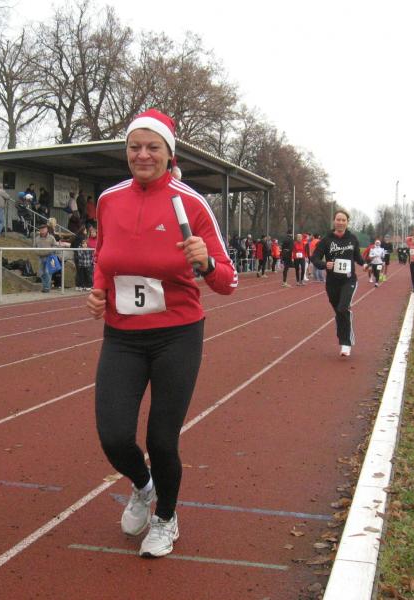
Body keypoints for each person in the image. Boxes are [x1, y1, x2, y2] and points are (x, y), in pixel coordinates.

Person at [86, 109, 236, 558]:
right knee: (114, 436)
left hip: (177, 335)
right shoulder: (109, 200)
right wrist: (98, 290)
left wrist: (205, 262)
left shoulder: (191, 203)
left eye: (153, 147)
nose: (143, 155)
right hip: (122, 335)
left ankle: (166, 518)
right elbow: (103, 256)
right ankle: (142, 485)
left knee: (161, 438)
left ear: (170, 153)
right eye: (134, 147)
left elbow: (228, 281)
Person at [311, 208, 365, 357]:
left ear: (347, 222)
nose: (341, 222)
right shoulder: (326, 240)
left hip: (349, 280)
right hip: (332, 282)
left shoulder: (352, 239)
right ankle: (343, 335)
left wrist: (365, 264)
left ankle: (346, 343)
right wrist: (324, 264)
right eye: (338, 219)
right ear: (334, 221)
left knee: (343, 308)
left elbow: (357, 257)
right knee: (339, 312)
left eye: (343, 220)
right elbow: (314, 258)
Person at [33, 222, 65, 292]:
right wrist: (38, 252)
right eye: (41, 229)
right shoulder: (37, 238)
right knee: (41, 273)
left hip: (49, 257)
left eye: (44, 229)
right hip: (40, 257)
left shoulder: (51, 237)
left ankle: (47, 288)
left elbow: (55, 246)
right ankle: (45, 286)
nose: (42, 230)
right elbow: (34, 247)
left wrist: (49, 251)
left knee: (48, 272)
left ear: (47, 229)